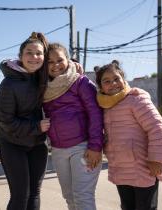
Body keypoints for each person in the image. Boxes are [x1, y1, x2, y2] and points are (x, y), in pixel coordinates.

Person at [95, 60, 162, 210]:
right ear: (101, 87)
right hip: (120, 169)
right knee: (127, 207)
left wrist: (156, 159)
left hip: (144, 168)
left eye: (116, 79)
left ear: (123, 79)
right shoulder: (104, 105)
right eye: (107, 81)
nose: (113, 84)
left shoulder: (136, 99)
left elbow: (157, 128)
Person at [42, 43, 104, 210]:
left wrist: (96, 146)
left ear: (68, 60)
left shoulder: (81, 82)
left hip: (83, 147)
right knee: (69, 197)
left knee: (82, 197)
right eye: (50, 61)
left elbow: (96, 114)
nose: (55, 65)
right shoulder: (43, 87)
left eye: (60, 60)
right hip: (58, 150)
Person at [0, 32, 50, 210]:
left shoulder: (43, 77)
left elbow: (62, 65)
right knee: (21, 195)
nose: (34, 57)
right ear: (20, 56)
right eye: (29, 53)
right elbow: (6, 122)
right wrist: (36, 126)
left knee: (35, 193)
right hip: (12, 144)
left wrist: (73, 65)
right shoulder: (8, 84)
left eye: (39, 53)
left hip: (37, 144)